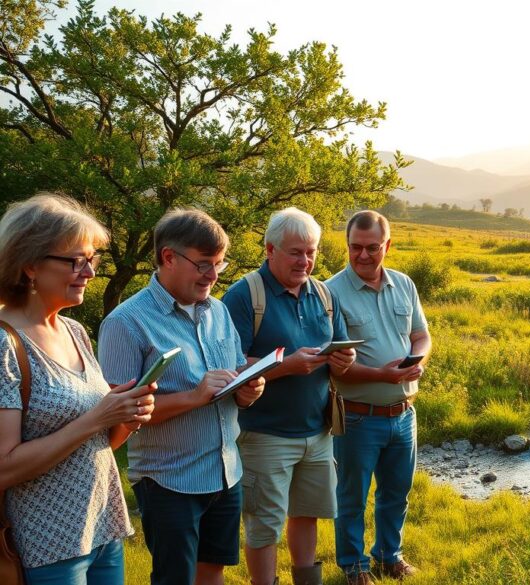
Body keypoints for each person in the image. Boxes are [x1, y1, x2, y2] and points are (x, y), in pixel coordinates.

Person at [98, 209, 265, 585]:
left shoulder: (218, 311)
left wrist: (248, 391)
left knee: (212, 572)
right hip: (169, 480)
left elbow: (235, 373)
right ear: (168, 257)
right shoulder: (125, 323)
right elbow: (115, 418)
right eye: (204, 264)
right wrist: (193, 396)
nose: (213, 275)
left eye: (220, 264)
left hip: (225, 471)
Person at [0, 194, 156, 585]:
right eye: (76, 260)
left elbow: (97, 443)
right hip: (47, 545)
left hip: (103, 529)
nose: (89, 271)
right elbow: (4, 467)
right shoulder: (4, 343)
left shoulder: (74, 331)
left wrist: (127, 415)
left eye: (92, 260)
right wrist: (97, 417)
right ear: (30, 264)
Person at [222, 208, 356, 585]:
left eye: (311, 252)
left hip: (317, 430)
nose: (306, 261)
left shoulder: (324, 294)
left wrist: (345, 359)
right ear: (270, 249)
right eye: (296, 252)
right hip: (264, 433)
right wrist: (285, 366)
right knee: (264, 523)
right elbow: (231, 365)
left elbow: (339, 352)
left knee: (307, 513)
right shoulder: (245, 295)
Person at [325, 210, 431, 585]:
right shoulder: (330, 292)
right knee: (351, 497)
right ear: (348, 245)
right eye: (356, 247)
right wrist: (383, 374)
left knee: (396, 492)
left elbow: (421, 334)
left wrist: (418, 360)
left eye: (372, 248)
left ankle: (389, 556)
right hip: (357, 415)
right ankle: (354, 566)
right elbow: (334, 366)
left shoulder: (404, 284)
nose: (364, 255)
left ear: (388, 245)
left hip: (404, 413)